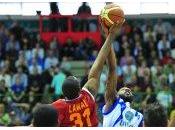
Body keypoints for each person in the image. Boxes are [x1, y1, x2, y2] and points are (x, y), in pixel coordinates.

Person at [52, 23, 122, 127]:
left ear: (64, 94)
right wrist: (110, 35)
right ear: (80, 89)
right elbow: (99, 64)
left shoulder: (58, 106)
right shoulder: (87, 97)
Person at [102, 22, 143, 127]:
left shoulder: (139, 116)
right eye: (125, 88)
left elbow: (112, 70)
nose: (127, 89)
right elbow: (112, 69)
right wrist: (109, 37)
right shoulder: (112, 103)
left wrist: (109, 36)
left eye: (127, 89)